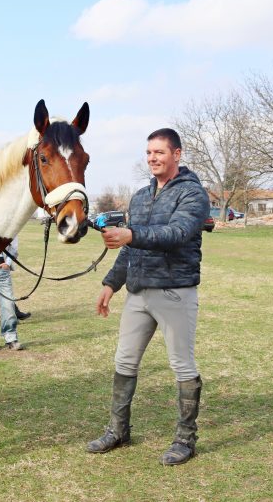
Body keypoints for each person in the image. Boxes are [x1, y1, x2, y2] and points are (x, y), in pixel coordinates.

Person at [87, 128, 209, 466]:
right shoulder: (140, 196)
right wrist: (111, 284)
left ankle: (185, 440)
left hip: (174, 292)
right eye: (149, 153)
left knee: (181, 365)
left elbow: (176, 234)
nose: (153, 158)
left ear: (177, 154)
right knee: (124, 361)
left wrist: (132, 233)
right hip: (138, 292)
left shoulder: (193, 194)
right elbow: (129, 249)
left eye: (160, 152)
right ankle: (118, 430)